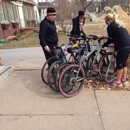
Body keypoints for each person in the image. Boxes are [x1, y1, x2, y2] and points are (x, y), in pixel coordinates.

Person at [103, 13, 130, 87]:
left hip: (122, 46)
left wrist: (104, 45)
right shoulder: (120, 24)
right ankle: (124, 81)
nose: (106, 24)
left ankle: (118, 82)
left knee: (119, 65)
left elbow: (110, 39)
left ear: (109, 20)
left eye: (106, 22)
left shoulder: (110, 27)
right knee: (124, 63)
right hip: (128, 45)